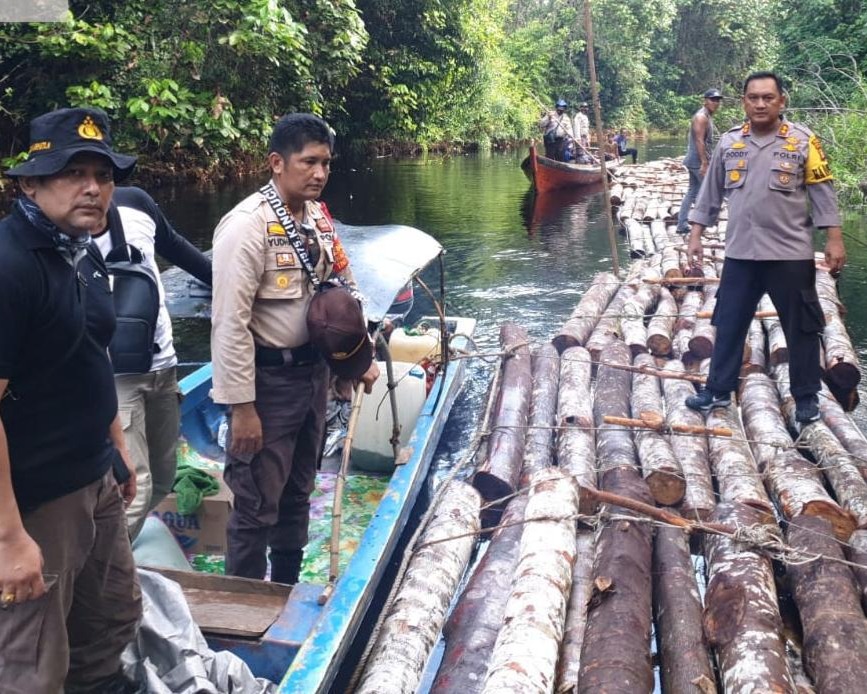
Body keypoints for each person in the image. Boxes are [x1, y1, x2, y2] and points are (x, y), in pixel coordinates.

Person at [0, 107, 141, 692]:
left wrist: (116, 446)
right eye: (72, 172)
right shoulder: (11, 267)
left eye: (103, 175)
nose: (92, 188)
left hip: (94, 476)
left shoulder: (83, 251)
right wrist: (9, 539)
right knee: (33, 663)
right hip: (36, 498)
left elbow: (93, 353)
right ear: (28, 183)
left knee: (111, 618)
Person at [210, 113, 380, 584]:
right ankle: (242, 605)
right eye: (309, 162)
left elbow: (342, 292)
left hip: (313, 379)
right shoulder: (247, 226)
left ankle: (284, 591)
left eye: (326, 163)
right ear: (276, 163)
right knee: (255, 503)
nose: (320, 173)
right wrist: (241, 407)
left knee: (298, 492)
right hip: (267, 386)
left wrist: (354, 360)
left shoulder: (319, 220)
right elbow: (229, 324)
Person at [685, 71, 846, 423]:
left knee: (801, 327)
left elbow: (823, 193)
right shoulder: (730, 143)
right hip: (741, 254)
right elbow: (709, 192)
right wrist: (695, 234)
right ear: (744, 102)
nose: (760, 104)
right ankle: (717, 390)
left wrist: (834, 239)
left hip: (790, 255)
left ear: (781, 101)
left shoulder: (803, 142)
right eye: (753, 97)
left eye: (767, 98)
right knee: (728, 322)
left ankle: (806, 397)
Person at [91, 186, 212, 538]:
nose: (90, 184)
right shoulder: (62, 225)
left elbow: (182, 253)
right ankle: (101, 583)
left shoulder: (137, 202)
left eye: (101, 171)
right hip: (114, 377)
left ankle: (116, 561)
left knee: (161, 479)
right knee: (135, 487)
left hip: (163, 366)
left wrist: (237, 288)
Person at [676, 89, 723, 234]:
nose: (715, 103)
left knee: (693, 191)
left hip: (695, 160)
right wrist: (704, 163)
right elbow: (699, 140)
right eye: (712, 99)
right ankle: (702, 224)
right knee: (708, 192)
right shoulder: (701, 117)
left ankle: (682, 224)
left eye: (717, 100)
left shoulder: (707, 116)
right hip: (697, 161)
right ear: (705, 100)